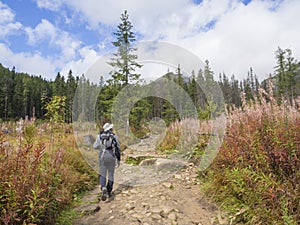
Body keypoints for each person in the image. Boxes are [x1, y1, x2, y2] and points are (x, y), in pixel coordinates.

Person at [93, 123, 121, 201]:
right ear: (111, 129)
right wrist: (118, 159)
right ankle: (108, 191)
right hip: (111, 158)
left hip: (102, 157)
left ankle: (103, 187)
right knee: (111, 174)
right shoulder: (114, 136)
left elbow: (94, 146)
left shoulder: (99, 136)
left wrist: (101, 147)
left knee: (102, 174)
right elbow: (118, 148)